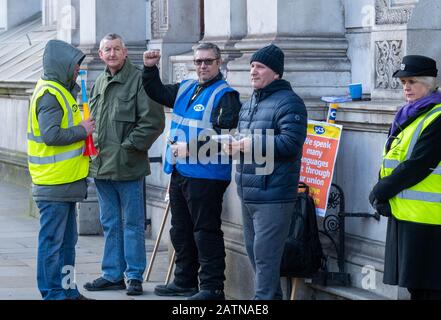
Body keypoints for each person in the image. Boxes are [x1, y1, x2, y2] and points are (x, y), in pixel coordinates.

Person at [142, 42, 241, 300]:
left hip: (207, 176)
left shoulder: (226, 95)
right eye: (198, 62)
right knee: (180, 229)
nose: (202, 66)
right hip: (181, 171)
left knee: (205, 231)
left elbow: (227, 138)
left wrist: (193, 148)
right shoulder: (187, 87)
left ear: (219, 63)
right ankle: (185, 280)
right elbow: (157, 91)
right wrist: (150, 68)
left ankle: (212, 287)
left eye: (208, 61)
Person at [83, 34, 165, 296]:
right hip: (101, 165)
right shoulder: (98, 82)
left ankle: (134, 276)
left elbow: (153, 122)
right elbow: (93, 120)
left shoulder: (139, 80)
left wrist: (128, 147)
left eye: (117, 48)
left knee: (132, 223)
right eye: (107, 49)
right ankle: (112, 274)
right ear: (100, 54)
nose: (112, 53)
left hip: (128, 165)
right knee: (109, 222)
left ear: (125, 52)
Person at [224, 44, 307, 300]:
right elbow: (246, 141)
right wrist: (233, 146)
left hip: (274, 195)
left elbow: (290, 143)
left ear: (276, 73)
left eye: (260, 67)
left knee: (266, 260)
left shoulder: (290, 102)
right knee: (257, 258)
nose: (253, 71)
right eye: (251, 66)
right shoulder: (249, 103)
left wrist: (251, 144)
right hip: (248, 193)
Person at [369, 55, 441, 300]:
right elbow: (393, 157)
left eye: (412, 81)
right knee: (416, 288)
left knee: (429, 290)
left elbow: (419, 164)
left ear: (429, 83)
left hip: (429, 220)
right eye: (403, 82)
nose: (406, 87)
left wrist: (381, 189)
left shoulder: (437, 116)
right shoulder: (409, 114)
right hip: (406, 214)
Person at [27, 40, 94, 300]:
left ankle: (67, 290)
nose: (78, 69)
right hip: (53, 183)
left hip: (65, 182)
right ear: (62, 65)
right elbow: (51, 135)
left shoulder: (60, 90)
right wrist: (83, 130)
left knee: (67, 245)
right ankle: (53, 293)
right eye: (76, 65)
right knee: (52, 245)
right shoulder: (49, 94)